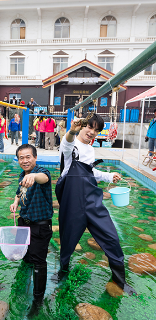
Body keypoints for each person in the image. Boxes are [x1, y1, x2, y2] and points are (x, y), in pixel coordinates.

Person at [53, 113, 136, 296]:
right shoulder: (71, 144)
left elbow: (91, 171)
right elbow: (66, 146)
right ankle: (63, 272)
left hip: (92, 201)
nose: (92, 132)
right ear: (82, 126)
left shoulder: (90, 150)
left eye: (96, 130)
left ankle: (119, 281)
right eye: (89, 127)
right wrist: (71, 132)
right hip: (72, 203)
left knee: (112, 239)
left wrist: (108, 176)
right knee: (67, 241)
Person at [10, 144, 53, 317]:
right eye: (21, 158)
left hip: (40, 225)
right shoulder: (22, 174)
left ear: (35, 157)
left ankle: (38, 300)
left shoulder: (41, 172)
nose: (25, 160)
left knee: (39, 261)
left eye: (28, 157)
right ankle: (25, 276)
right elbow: (18, 193)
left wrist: (35, 176)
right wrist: (15, 203)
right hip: (23, 222)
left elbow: (43, 178)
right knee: (26, 255)